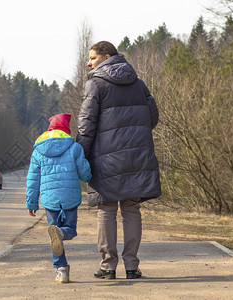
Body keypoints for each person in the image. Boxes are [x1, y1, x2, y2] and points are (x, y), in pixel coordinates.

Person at [76, 41, 161, 280]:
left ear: (105, 57)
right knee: (131, 209)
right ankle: (132, 266)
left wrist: (80, 155)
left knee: (106, 210)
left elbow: (86, 126)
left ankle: (108, 266)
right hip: (136, 156)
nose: (89, 62)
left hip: (106, 159)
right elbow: (152, 118)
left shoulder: (95, 85)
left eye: (92, 58)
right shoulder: (138, 84)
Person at [26, 113, 92, 284]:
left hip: (50, 199)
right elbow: (85, 175)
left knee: (53, 234)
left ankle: (61, 270)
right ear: (66, 130)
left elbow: (33, 179)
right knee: (69, 229)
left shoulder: (38, 151)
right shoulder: (75, 148)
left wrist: (31, 202)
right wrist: (90, 174)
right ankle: (63, 232)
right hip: (69, 197)